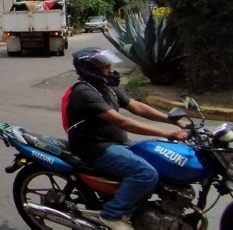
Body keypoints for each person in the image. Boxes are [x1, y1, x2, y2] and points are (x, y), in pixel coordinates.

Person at [62, 48, 189, 230]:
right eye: (105, 66)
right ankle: (111, 215)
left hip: (117, 143)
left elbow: (137, 107)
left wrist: (172, 120)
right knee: (145, 174)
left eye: (109, 65)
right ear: (90, 69)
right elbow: (121, 122)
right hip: (95, 148)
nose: (111, 70)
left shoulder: (107, 89)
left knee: (161, 159)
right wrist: (166, 132)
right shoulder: (84, 93)